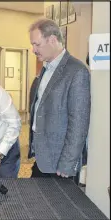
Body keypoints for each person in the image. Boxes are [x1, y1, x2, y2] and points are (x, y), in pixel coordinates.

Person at [28, 18, 91, 178]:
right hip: (43, 159)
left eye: (37, 44)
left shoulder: (76, 72)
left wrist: (67, 164)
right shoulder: (46, 69)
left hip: (60, 165)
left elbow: (79, 123)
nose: (33, 50)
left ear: (53, 40)